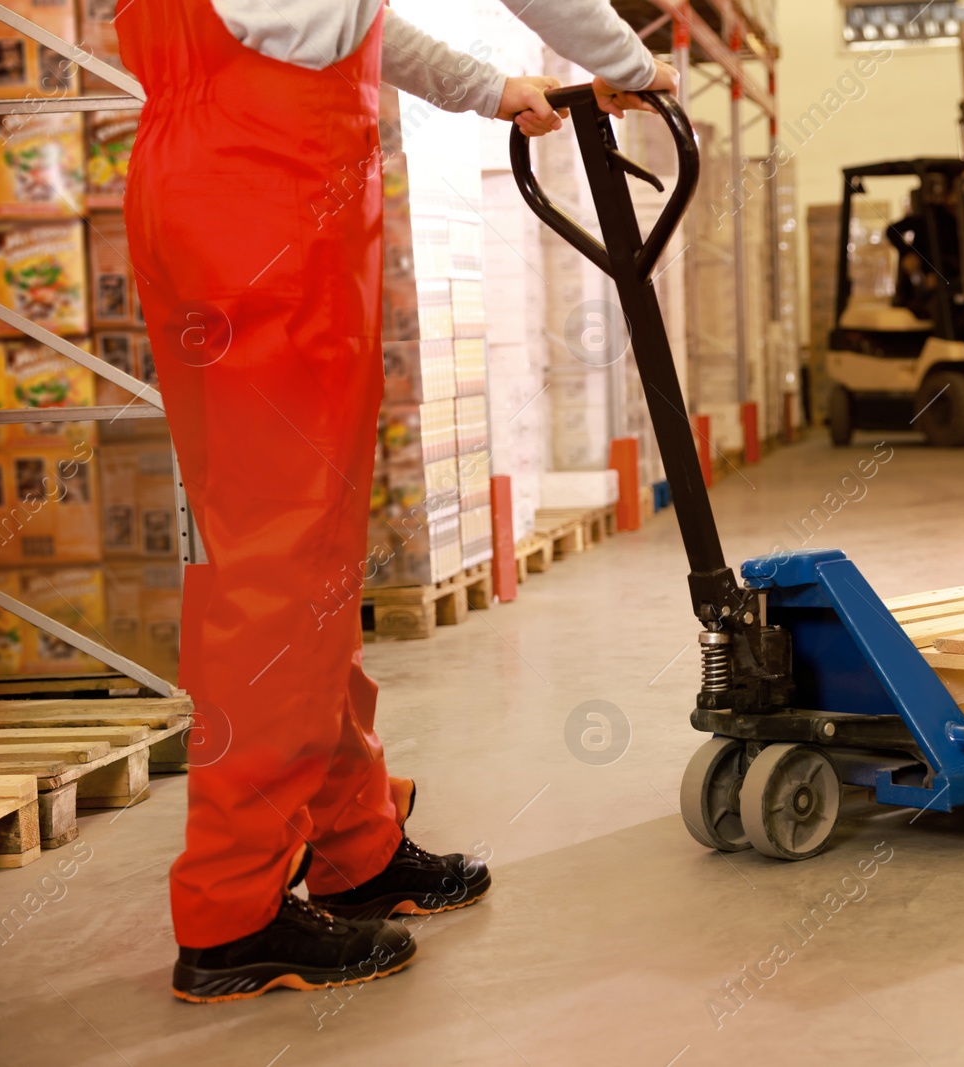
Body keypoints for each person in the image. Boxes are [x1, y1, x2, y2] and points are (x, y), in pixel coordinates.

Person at [115, 1, 677, 1003]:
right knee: (285, 556)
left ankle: (353, 840)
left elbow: (337, 16)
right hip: (275, 200)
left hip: (190, 181)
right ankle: (233, 907)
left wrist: (492, 89)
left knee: (269, 545)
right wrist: (627, 61)